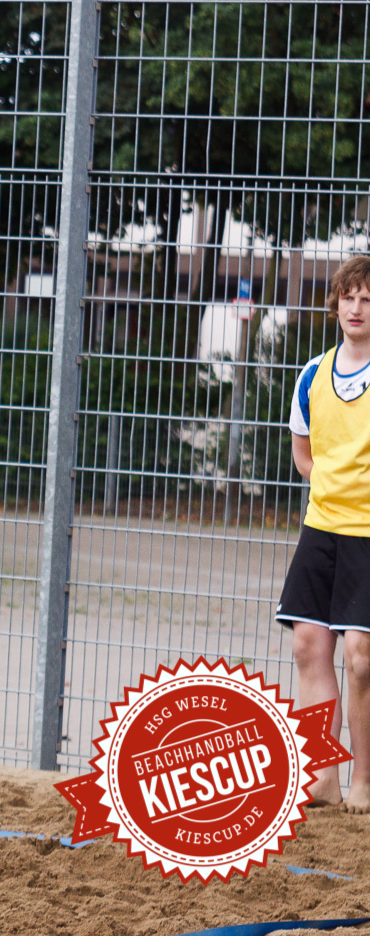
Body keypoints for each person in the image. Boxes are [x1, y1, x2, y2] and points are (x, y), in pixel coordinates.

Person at [277, 254, 370, 810]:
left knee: (361, 656)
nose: (357, 308)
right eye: (349, 297)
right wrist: (331, 487)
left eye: (368, 299)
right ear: (335, 303)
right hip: (323, 528)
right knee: (309, 645)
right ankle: (324, 780)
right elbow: (303, 455)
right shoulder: (313, 373)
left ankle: (365, 780)